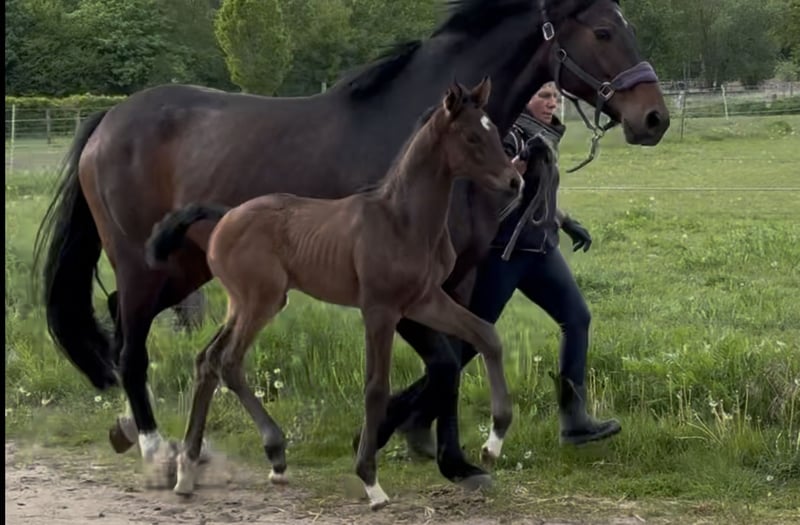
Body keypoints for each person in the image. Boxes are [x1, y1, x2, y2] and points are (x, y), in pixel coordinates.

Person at [401, 82, 620, 456]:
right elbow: (496, 185)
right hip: (504, 254)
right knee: (471, 342)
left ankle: (574, 419)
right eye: (543, 96)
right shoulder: (510, 135)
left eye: (555, 97)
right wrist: (518, 161)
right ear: (525, 99)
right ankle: (411, 413)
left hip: (540, 250)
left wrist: (565, 221)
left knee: (577, 318)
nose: (552, 103)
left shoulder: (541, 135)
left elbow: (539, 191)